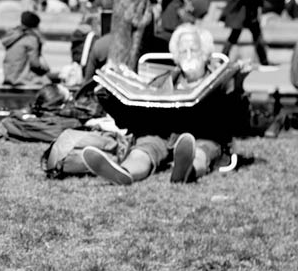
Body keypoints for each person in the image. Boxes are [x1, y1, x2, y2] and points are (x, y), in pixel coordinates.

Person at [81, 25, 244, 185]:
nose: (188, 55)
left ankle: (187, 170)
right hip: (163, 133)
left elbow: (236, 117)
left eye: (193, 50)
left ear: (205, 54)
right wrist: (107, 94)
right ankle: (124, 172)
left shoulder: (220, 81)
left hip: (203, 134)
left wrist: (239, 85)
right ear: (176, 57)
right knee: (144, 149)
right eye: (182, 51)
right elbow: (133, 115)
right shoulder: (163, 81)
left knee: (200, 151)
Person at [1, 10, 52, 89]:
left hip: (8, 77)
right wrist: (46, 70)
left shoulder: (14, 35)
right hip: (21, 79)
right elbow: (35, 64)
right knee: (51, 85)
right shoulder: (31, 39)